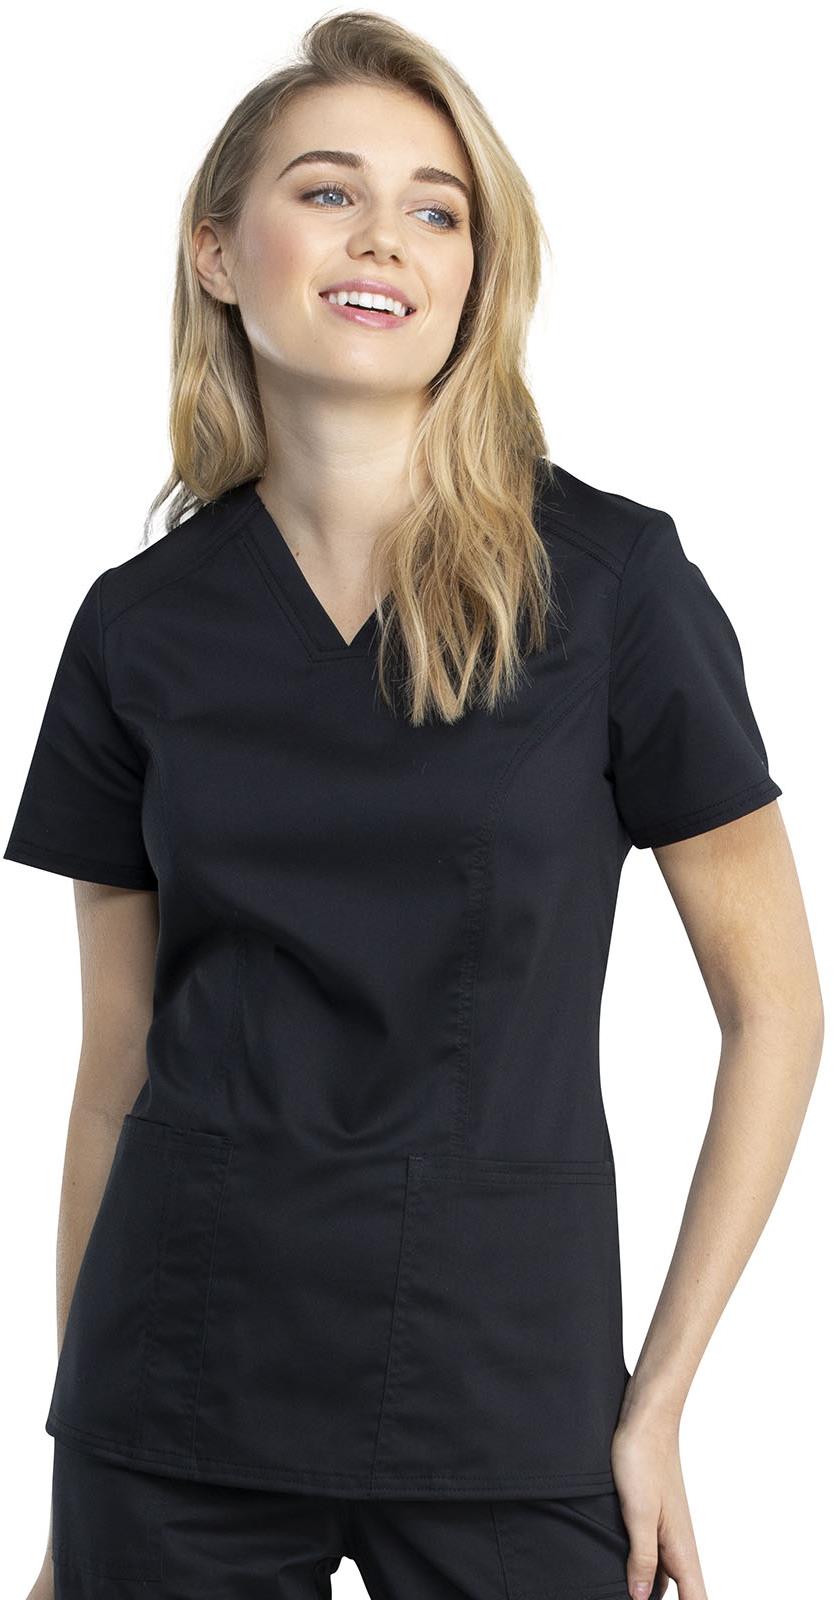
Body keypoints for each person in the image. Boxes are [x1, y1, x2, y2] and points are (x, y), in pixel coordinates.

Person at [5, 13, 822, 1600]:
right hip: (174, 1394)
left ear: (473, 276)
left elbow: (776, 1011)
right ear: (217, 250)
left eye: (437, 209)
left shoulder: (615, 589)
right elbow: (114, 1071)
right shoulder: (138, 627)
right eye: (329, 191)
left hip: (507, 1389)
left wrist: (660, 1401)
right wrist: (77, 1462)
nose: (385, 236)